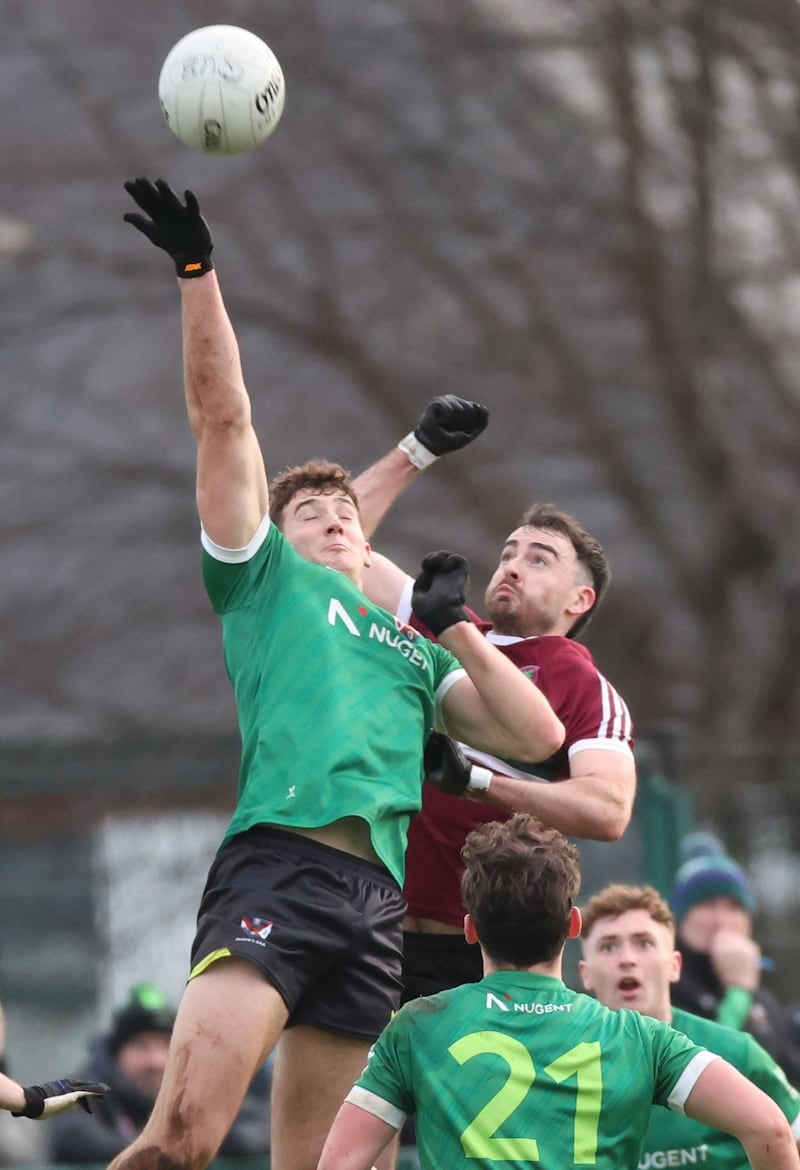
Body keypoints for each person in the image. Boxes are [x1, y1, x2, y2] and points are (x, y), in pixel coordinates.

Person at [119, 177, 566, 1170]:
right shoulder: (264, 585)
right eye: (311, 509)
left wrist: (455, 629)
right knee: (179, 1142)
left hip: (374, 913)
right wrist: (200, 273)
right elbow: (225, 422)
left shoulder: (409, 648)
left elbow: (538, 739)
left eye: (346, 512)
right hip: (279, 867)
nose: (334, 515)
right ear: (273, 538)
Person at [319, 814, 799, 1170]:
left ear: (469, 929)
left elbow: (339, 1164)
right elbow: (771, 1127)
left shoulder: (417, 1026)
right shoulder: (642, 1038)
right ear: (573, 925)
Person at [350, 411, 635, 1001]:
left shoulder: (582, 684)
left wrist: (479, 781)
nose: (513, 564)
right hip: (374, 928)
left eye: (540, 558)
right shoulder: (442, 623)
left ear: (580, 599)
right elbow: (330, 543)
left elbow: (607, 810)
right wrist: (417, 449)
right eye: (510, 551)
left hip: (482, 954)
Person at [578, 882, 800, 1168]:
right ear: (586, 974)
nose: (627, 959)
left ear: (674, 966)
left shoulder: (737, 1052)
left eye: (644, 943)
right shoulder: (565, 1063)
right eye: (609, 946)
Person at [668, 833, 799, 1083]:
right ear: (680, 920)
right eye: (707, 906)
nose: (722, 920)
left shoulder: (762, 997)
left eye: (734, 907)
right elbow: (701, 1078)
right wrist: (737, 992)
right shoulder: (667, 989)